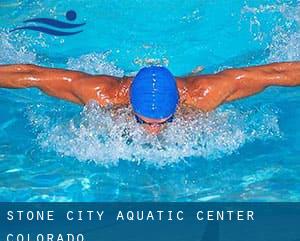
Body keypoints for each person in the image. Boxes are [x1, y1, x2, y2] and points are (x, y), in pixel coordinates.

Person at [0, 62, 299, 134]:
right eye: (142, 121)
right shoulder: (101, 93)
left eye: (163, 122)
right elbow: (31, 75)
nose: (153, 131)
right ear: (130, 105)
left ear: (177, 107)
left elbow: (273, 74)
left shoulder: (204, 94)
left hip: (191, 84)